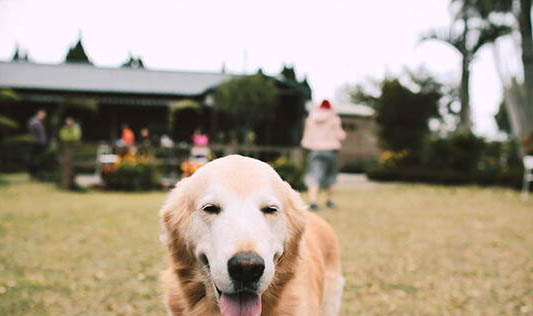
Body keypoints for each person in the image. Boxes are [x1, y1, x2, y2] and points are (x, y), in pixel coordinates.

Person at [301, 99, 346, 210]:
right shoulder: (334, 118)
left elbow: (306, 137)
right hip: (331, 150)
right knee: (330, 176)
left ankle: (313, 201)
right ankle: (330, 200)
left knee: (314, 175)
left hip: (315, 151)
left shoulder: (310, 119)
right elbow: (341, 136)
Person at [58, 117, 82, 189]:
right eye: (67, 122)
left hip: (73, 152)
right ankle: (65, 184)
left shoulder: (76, 129)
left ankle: (70, 184)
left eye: (69, 122)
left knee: (70, 168)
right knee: (65, 167)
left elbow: (75, 137)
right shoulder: (64, 129)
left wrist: (69, 133)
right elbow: (62, 137)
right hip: (65, 151)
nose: (68, 123)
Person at [27, 109, 47, 177]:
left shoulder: (39, 122)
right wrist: (36, 140)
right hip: (36, 143)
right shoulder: (34, 122)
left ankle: (36, 173)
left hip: (40, 143)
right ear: (39, 114)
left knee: (38, 159)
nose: (44, 116)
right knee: (34, 159)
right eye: (42, 115)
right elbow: (33, 132)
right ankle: (33, 173)